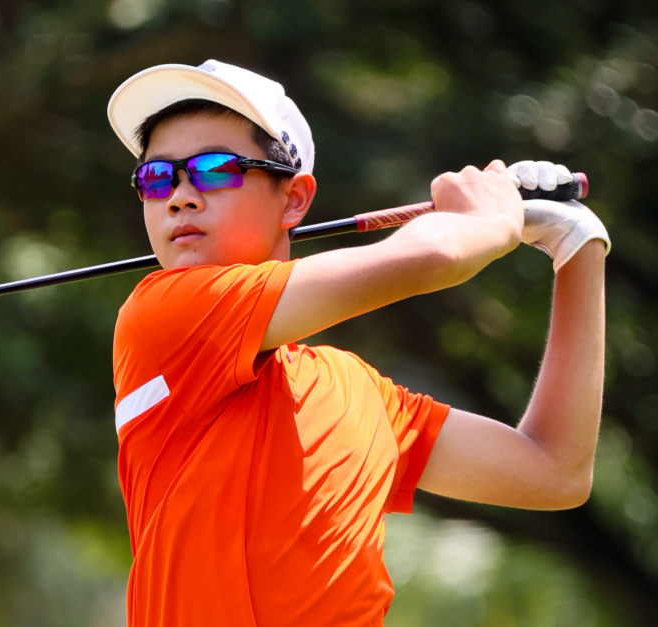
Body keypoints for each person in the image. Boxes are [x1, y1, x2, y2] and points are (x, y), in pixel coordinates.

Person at [106, 60, 611, 627]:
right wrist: (490, 217)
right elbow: (436, 256)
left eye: (215, 169)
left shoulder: (358, 392)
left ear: (294, 200)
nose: (178, 196)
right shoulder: (162, 314)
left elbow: (554, 472)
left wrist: (578, 246)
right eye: (156, 178)